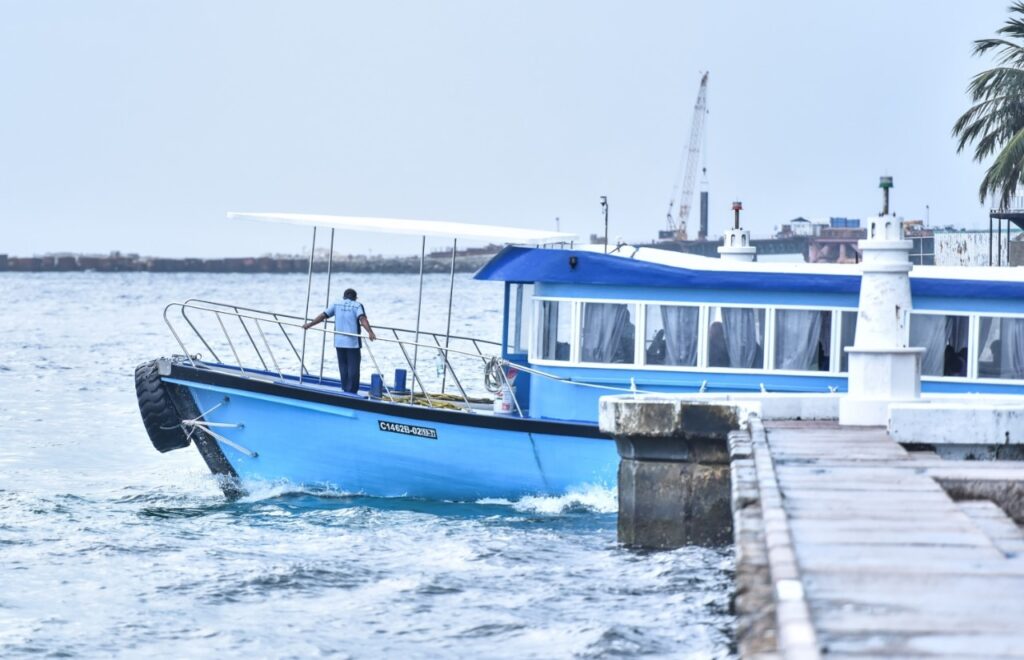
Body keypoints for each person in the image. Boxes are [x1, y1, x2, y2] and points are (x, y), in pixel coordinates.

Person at [303, 288, 376, 393]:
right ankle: (352, 391)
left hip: (339, 342)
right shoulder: (357, 305)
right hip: (352, 343)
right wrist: (370, 332)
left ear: (344, 296)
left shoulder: (336, 304)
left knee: (343, 366)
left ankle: (345, 389)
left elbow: (323, 316)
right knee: (353, 368)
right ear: (355, 298)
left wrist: (309, 325)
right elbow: (362, 319)